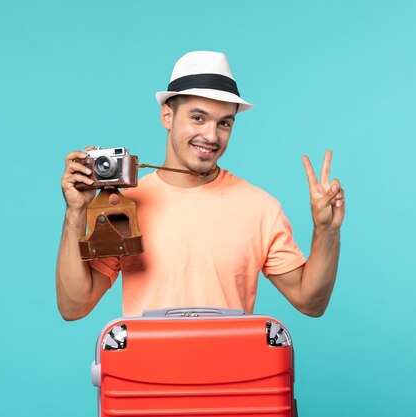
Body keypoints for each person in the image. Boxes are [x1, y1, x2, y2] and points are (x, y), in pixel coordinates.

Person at [56, 51, 345, 319]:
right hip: (147, 373)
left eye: (224, 123)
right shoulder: (124, 205)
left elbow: (311, 302)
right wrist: (76, 212)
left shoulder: (260, 208)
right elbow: (74, 305)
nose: (211, 136)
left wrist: (327, 231)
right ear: (167, 115)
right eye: (198, 118)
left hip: (231, 374)